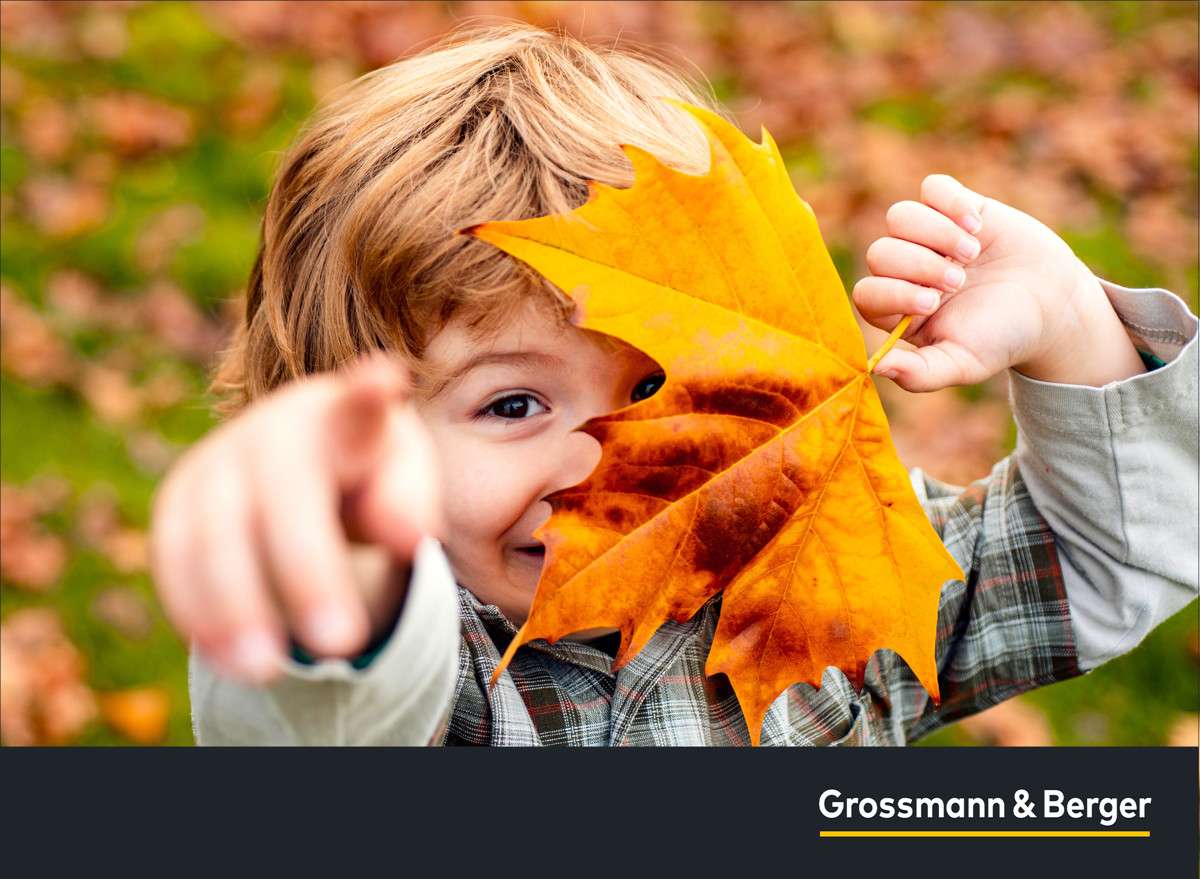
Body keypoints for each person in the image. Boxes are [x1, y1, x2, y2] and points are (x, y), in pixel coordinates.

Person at [150, 23, 1198, 746]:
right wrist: (335, 565)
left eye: (659, 382)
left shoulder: (817, 570)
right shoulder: (437, 679)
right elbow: (323, 713)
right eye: (513, 404)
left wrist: (1070, 322)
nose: (603, 452)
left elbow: (1108, 547)